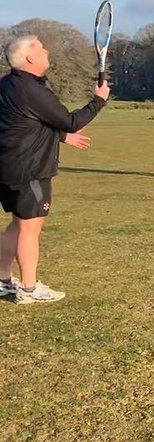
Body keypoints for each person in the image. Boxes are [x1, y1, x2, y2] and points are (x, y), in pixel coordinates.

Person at [0, 35, 109, 304]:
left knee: (17, 225)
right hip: (31, 170)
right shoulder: (31, 89)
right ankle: (28, 289)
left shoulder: (8, 85)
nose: (46, 50)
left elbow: (24, 123)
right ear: (28, 58)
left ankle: (2, 281)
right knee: (30, 229)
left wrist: (60, 137)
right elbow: (71, 121)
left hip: (10, 167)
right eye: (40, 47)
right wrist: (98, 100)